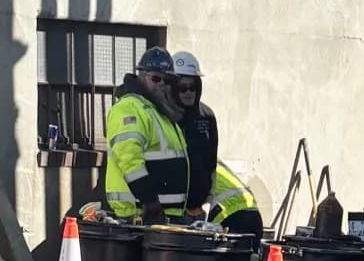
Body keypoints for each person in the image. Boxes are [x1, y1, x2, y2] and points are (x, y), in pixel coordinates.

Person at [170, 51, 263, 238]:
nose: (188, 92)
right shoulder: (165, 116)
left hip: (211, 213)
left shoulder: (206, 115)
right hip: (183, 209)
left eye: (192, 87)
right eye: (182, 87)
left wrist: (202, 202)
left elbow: (209, 161)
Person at [100, 47, 191, 225]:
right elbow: (129, 160)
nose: (162, 84)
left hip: (164, 217)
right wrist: (150, 202)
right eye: (156, 78)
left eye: (168, 80)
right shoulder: (130, 108)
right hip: (140, 215)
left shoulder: (162, 113)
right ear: (141, 76)